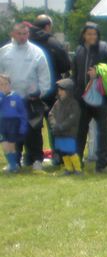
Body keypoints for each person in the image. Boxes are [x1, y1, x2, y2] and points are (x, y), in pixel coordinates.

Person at [0, 21, 54, 170]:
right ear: (12, 34)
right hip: (10, 99)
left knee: (34, 130)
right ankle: (14, 161)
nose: (23, 37)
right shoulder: (4, 52)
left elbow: (45, 77)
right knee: (12, 130)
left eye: (25, 34)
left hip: (31, 99)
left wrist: (40, 92)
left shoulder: (37, 52)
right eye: (19, 34)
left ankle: (37, 159)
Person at [71, 22, 107, 173]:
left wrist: (98, 71)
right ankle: (77, 163)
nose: (92, 37)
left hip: (102, 97)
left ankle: (102, 164)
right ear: (83, 35)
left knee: (103, 131)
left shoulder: (104, 49)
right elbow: (75, 74)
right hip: (82, 98)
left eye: (94, 34)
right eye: (89, 34)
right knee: (80, 131)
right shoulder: (79, 50)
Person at [26, 15, 71, 168]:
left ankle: (32, 157)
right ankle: (58, 155)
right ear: (47, 27)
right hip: (52, 87)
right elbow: (65, 65)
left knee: (32, 125)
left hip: (31, 90)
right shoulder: (52, 42)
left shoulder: (26, 42)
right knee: (54, 123)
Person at [47, 78, 82, 174]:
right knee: (63, 152)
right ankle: (68, 168)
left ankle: (77, 168)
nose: (60, 92)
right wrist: (54, 125)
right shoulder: (57, 103)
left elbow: (73, 118)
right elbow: (51, 114)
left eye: (62, 90)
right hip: (59, 133)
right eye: (59, 90)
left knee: (71, 151)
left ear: (69, 91)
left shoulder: (73, 104)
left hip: (69, 132)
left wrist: (62, 126)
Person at [0, 73, 29, 173]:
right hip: (2, 123)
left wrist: (23, 126)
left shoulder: (16, 97)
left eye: (5, 84)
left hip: (13, 124)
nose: (3, 86)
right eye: (1, 84)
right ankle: (11, 164)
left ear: (10, 84)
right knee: (4, 145)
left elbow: (22, 113)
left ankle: (14, 165)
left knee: (12, 145)